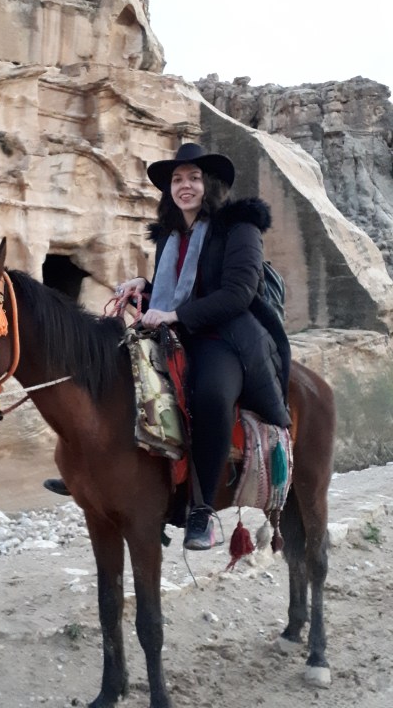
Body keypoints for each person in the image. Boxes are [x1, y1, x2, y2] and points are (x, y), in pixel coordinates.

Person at [44, 143, 291, 551]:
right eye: (177, 179)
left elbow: (238, 293)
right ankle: (96, 470)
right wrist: (144, 287)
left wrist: (175, 315)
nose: (185, 186)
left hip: (225, 336)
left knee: (209, 395)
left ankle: (202, 510)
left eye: (194, 177)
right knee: (109, 376)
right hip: (174, 333)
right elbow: (173, 289)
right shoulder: (171, 236)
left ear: (209, 184)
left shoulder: (239, 228)